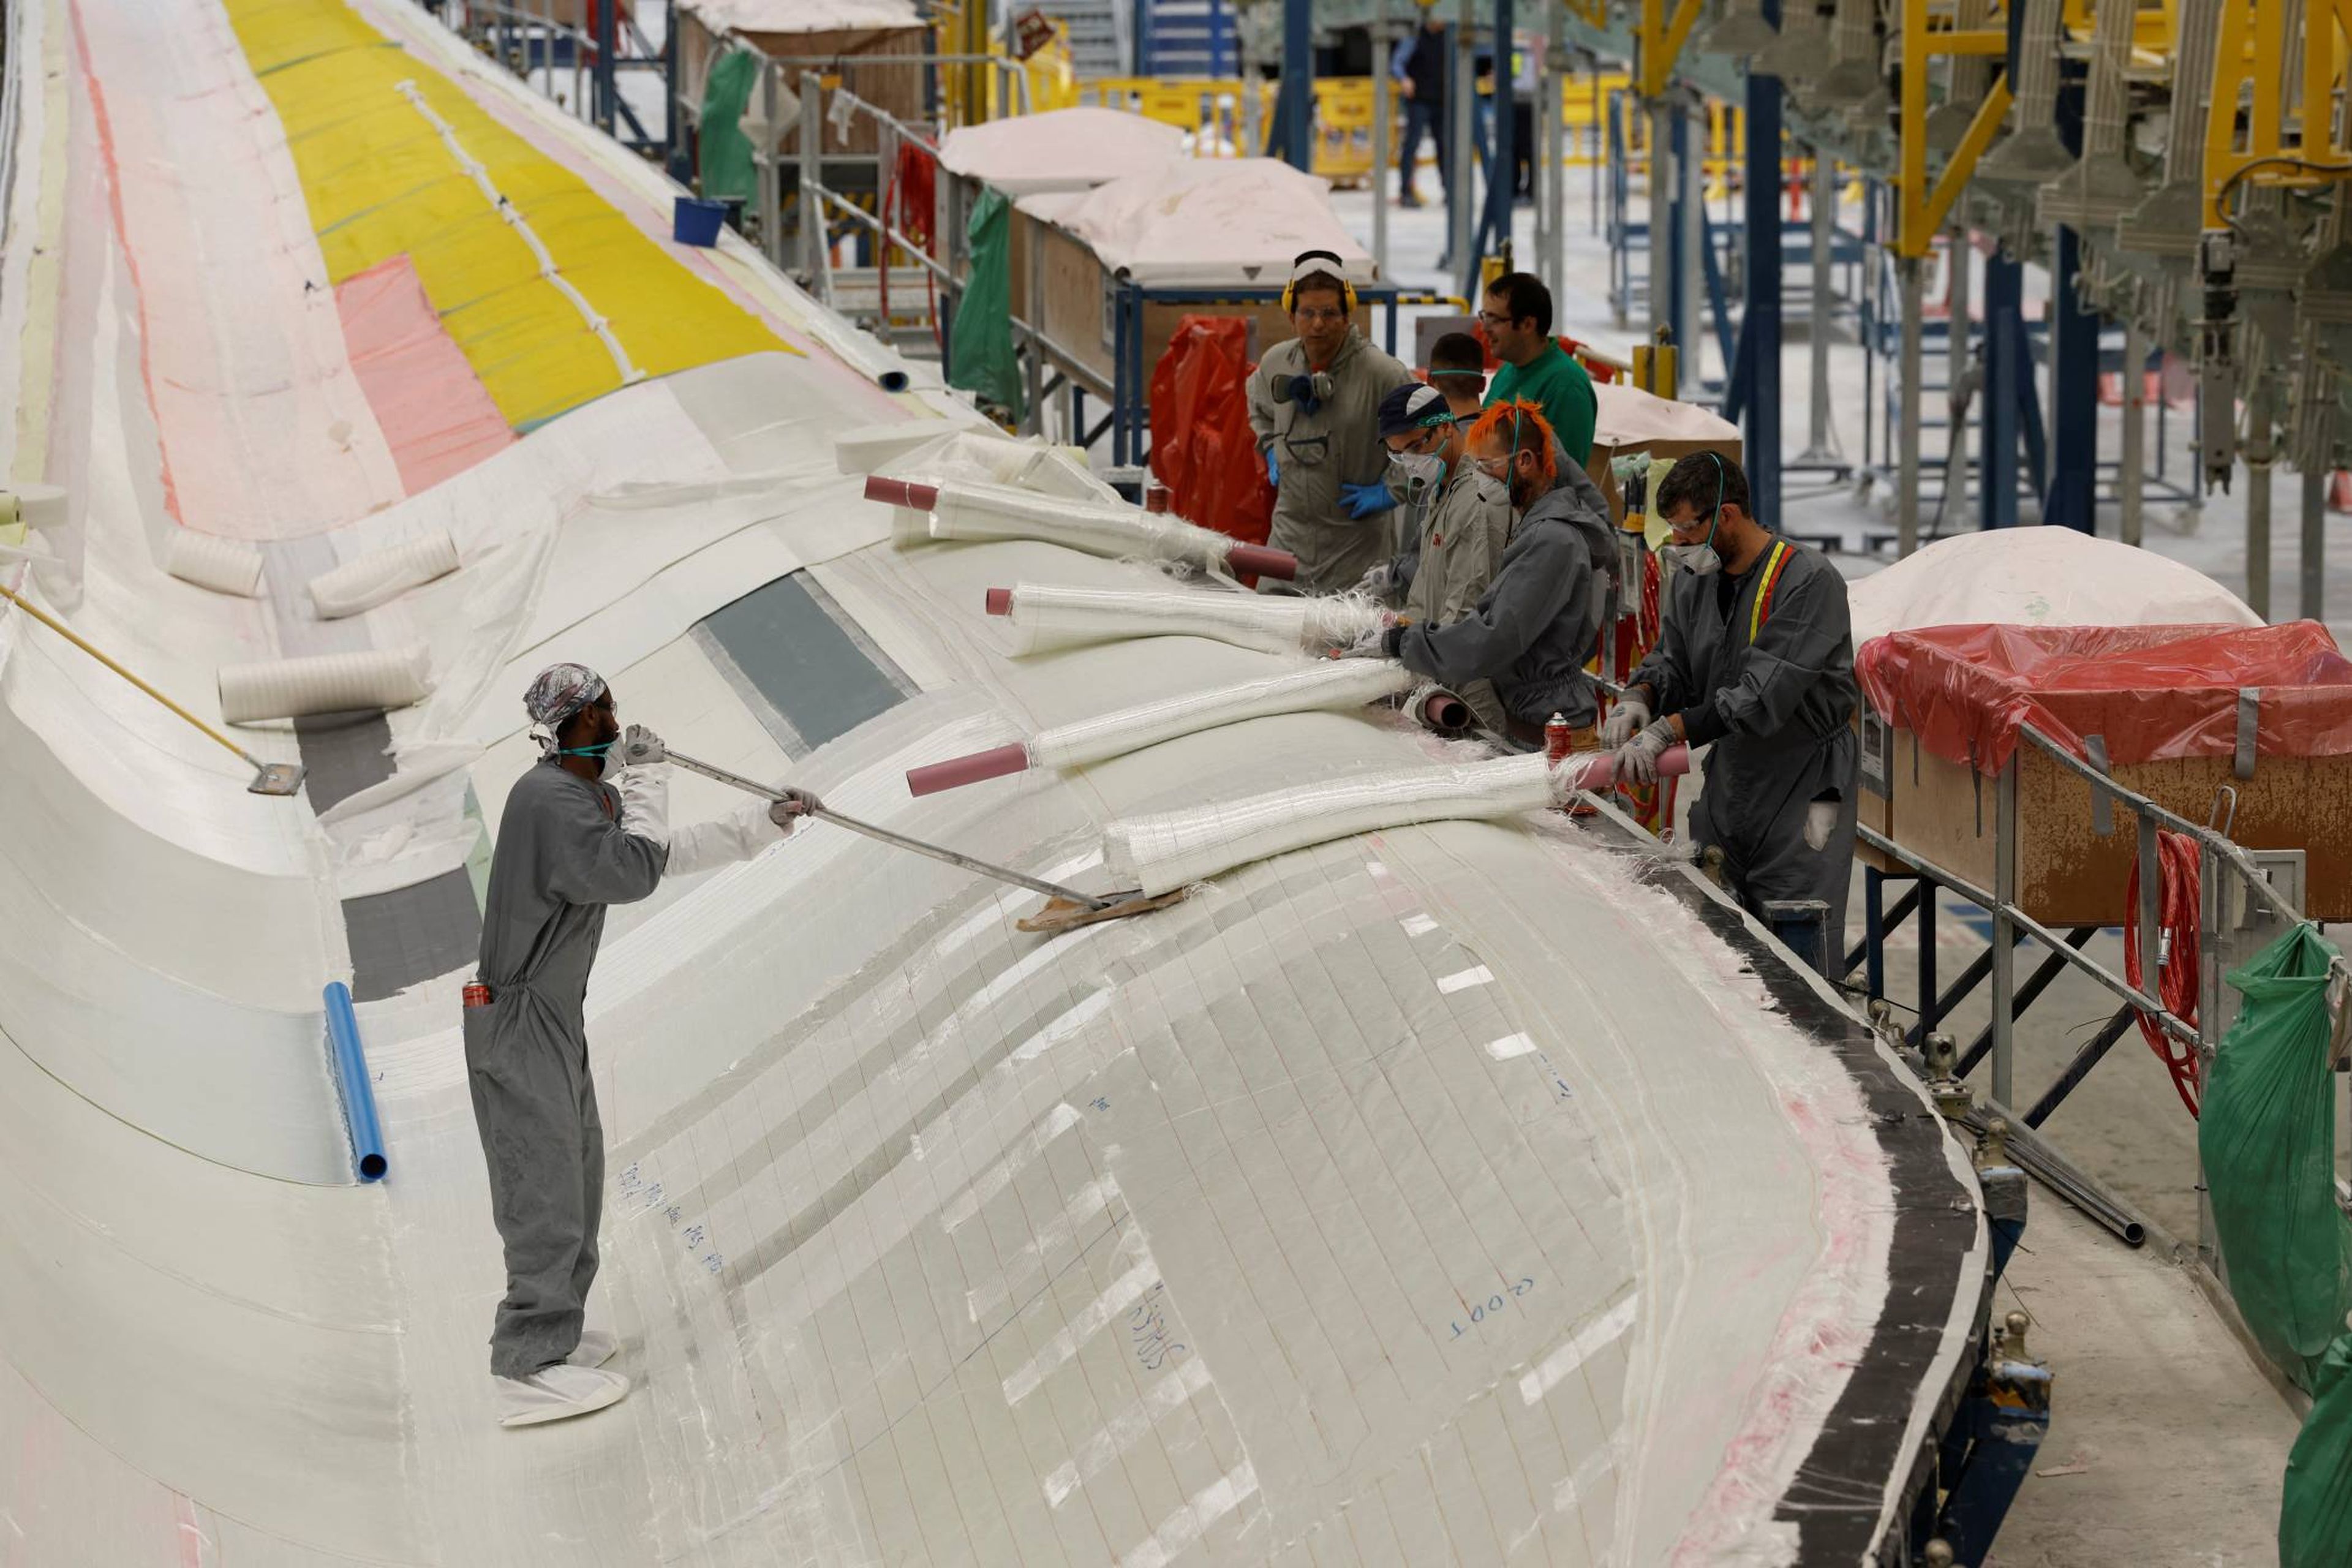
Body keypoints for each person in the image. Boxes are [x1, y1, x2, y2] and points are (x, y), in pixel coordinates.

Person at [468, 663, 820, 1428]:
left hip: (552, 1016)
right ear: (575, 723)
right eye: (605, 713)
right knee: (544, 1190)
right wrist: (647, 777)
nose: (617, 721)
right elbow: (634, 870)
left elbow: (653, 851)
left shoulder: (572, 792)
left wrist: (762, 823)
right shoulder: (546, 799)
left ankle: (554, 1331)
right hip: (521, 1020)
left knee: (579, 1171)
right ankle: (523, 1365)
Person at [1607, 455, 1860, 972]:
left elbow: (1759, 695)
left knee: (1796, 944)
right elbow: (1674, 661)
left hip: (1804, 788)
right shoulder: (1697, 579)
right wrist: (1641, 696)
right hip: (1732, 780)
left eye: (1684, 528)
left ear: (1725, 516)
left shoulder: (1809, 582)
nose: (1676, 543)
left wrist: (1668, 730)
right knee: (1717, 932)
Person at [1350, 399, 1616, 748]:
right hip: (1531, 716)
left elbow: (1493, 636)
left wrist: (1406, 642)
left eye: (1487, 465)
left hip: (1550, 728)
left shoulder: (1551, 540)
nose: (1482, 478)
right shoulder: (1533, 529)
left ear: (1524, 461)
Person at [1248, 251, 1415, 593]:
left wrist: (1392, 489)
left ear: (1346, 315)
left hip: (1357, 548)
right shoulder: (1276, 363)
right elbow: (1260, 406)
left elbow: (1427, 440)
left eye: (1329, 313)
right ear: (1292, 316)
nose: (1318, 324)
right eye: (1308, 313)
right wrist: (1268, 446)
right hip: (1289, 540)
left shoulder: (1383, 375)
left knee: (1354, 643)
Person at [1352, 383, 1512, 726]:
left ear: (1445, 427)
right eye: (1400, 455)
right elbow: (1429, 591)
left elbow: (1466, 610)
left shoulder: (1479, 501)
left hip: (1466, 686)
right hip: (1437, 669)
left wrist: (1406, 646)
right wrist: (1399, 631)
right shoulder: (1443, 490)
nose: (1412, 463)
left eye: (1416, 446)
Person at [1481, 272, 1598, 470]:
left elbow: (1564, 478)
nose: (1484, 328)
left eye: (1495, 320)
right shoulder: (1508, 371)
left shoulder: (1566, 386)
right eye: (1484, 316)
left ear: (1527, 324)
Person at [1390, 10, 1449, 208]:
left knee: (1445, 147)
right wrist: (1404, 79)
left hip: (1442, 100)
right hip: (1419, 101)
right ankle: (1406, 191)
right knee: (1412, 145)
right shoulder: (1414, 37)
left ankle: (1449, 190)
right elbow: (1397, 63)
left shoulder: (1448, 37)